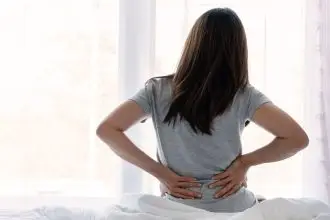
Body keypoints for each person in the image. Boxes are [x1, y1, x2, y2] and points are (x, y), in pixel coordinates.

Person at [96, 8, 309, 213]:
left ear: (193, 44)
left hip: (176, 206)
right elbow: (297, 138)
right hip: (232, 206)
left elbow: (107, 129)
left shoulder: (157, 90)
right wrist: (245, 163)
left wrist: (160, 173)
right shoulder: (244, 95)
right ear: (238, 50)